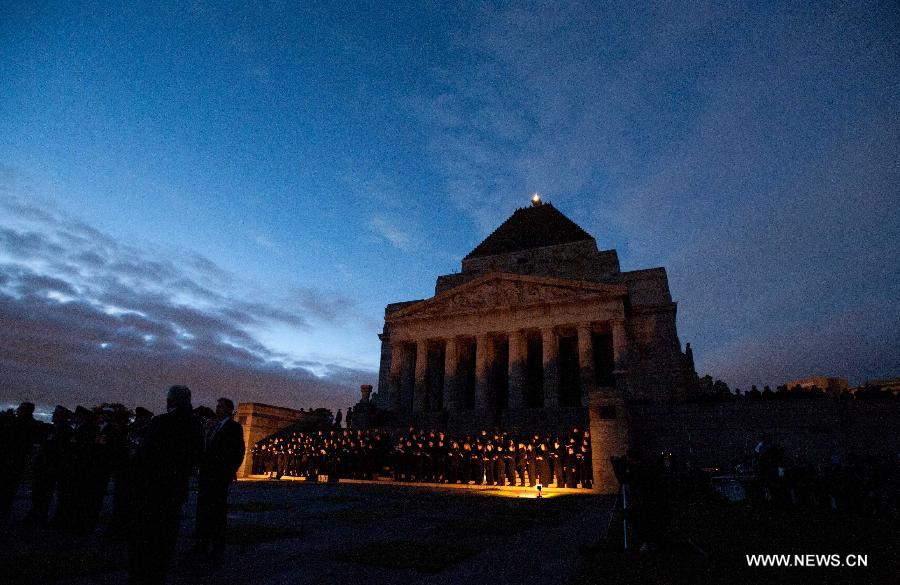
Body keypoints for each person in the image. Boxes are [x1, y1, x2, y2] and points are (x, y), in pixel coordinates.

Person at [127, 385, 203, 585]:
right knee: (166, 537)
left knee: (147, 538)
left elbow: (144, 455)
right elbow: (196, 456)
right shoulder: (196, 424)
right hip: (176, 487)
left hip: (153, 487)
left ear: (171, 401)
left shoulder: (161, 422)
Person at [196, 397, 245, 558]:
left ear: (227, 410)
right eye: (217, 406)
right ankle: (201, 543)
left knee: (217, 512)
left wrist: (230, 471)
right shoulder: (213, 426)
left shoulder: (234, 428)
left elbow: (238, 451)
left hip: (219, 476)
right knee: (203, 510)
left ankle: (217, 546)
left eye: (220, 407)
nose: (217, 409)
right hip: (206, 475)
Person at [1, 402, 44, 523]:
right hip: (18, 459)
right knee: (11, 485)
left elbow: (8, 437)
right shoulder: (31, 423)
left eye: (20, 408)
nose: (17, 410)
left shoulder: (19, 423)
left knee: (7, 484)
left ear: (24, 410)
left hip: (11, 458)